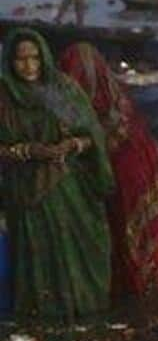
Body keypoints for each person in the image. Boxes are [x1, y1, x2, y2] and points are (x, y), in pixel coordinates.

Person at [0, 29, 113, 324]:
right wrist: (27, 151)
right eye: (21, 60)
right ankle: (45, 319)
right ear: (10, 61)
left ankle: (84, 311)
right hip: (26, 191)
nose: (29, 66)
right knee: (40, 258)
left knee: (79, 246)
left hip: (67, 185)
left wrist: (71, 145)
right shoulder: (4, 96)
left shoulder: (58, 89)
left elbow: (90, 135)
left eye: (35, 58)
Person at [57, 43, 158, 307]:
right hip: (152, 171)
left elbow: (96, 147)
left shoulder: (79, 105)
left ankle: (139, 298)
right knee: (146, 241)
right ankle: (151, 297)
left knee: (129, 241)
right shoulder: (115, 98)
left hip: (129, 178)